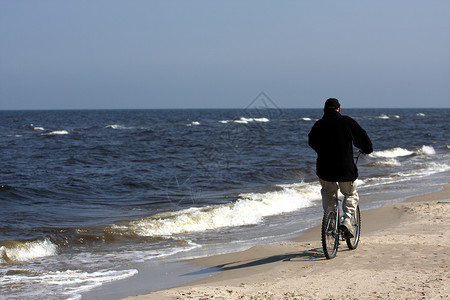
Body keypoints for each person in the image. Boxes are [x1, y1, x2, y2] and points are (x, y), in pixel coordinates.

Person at [308, 98, 373, 237]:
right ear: (339, 109)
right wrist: (367, 149)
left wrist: (322, 150)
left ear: (324, 110)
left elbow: (311, 141)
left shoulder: (318, 125)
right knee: (350, 193)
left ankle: (330, 221)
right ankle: (347, 219)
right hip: (345, 169)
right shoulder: (347, 122)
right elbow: (362, 137)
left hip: (325, 169)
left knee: (328, 192)